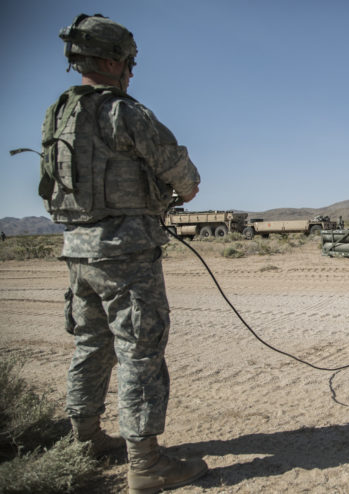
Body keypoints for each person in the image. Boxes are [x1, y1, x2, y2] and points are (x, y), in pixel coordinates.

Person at [41, 14, 206, 492]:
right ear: (112, 60)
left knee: (91, 344)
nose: (132, 71)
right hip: (125, 253)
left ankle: (85, 439)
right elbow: (181, 172)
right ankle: (147, 465)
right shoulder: (121, 111)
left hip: (77, 252)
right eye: (130, 62)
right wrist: (185, 188)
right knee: (140, 351)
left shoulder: (59, 114)